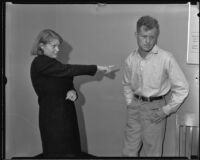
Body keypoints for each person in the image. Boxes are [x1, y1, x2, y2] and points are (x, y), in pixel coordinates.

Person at [30, 29, 113, 158]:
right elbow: (67, 70)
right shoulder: (39, 62)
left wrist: (72, 90)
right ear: (41, 46)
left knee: (72, 151)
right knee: (56, 153)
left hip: (66, 115)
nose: (57, 50)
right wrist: (95, 68)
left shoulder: (53, 63)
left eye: (58, 46)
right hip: (52, 119)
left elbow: (67, 80)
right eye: (54, 46)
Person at [122, 16, 189, 157]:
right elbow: (126, 84)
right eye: (144, 36)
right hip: (134, 108)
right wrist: (130, 102)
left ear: (156, 36)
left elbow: (182, 88)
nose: (147, 41)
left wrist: (166, 110)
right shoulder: (130, 59)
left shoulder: (166, 58)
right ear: (136, 35)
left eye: (152, 37)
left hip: (155, 110)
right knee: (128, 152)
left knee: (152, 153)